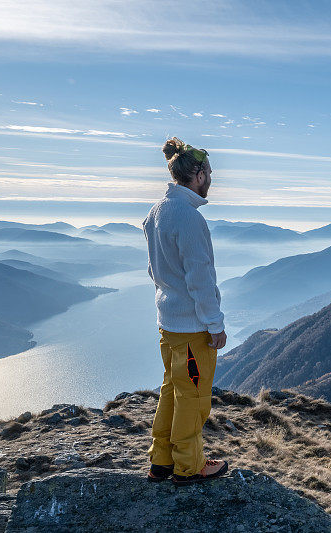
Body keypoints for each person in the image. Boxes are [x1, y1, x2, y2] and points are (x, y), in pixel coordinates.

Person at [142, 137, 229, 486]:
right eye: (209, 173)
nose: (212, 179)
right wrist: (215, 324)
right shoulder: (189, 218)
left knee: (172, 392)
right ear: (197, 174)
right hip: (193, 328)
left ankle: (161, 460)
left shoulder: (156, 212)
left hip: (168, 325)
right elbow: (201, 279)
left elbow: (154, 271)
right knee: (193, 399)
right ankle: (189, 466)